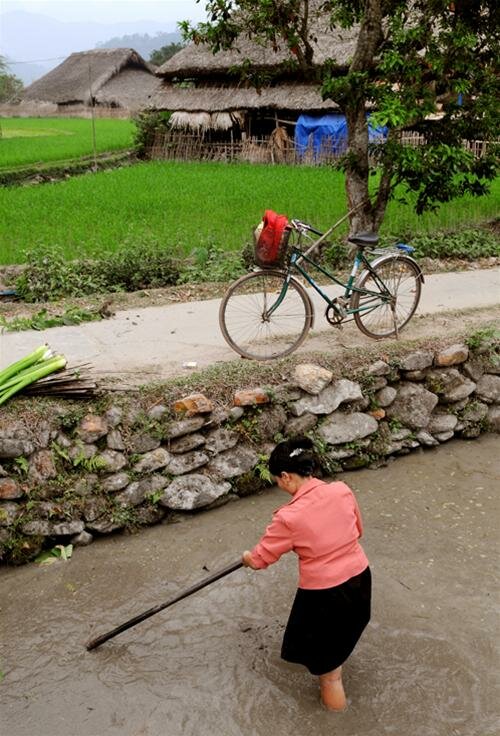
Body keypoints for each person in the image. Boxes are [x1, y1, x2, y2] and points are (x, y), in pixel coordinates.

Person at [242, 436, 371, 712]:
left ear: (286, 476)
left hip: (327, 596)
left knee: (329, 676)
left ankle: (337, 725)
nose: (279, 485)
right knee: (338, 646)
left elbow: (260, 560)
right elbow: (358, 531)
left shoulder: (289, 517)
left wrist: (246, 558)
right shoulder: (341, 490)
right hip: (360, 581)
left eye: (277, 479)